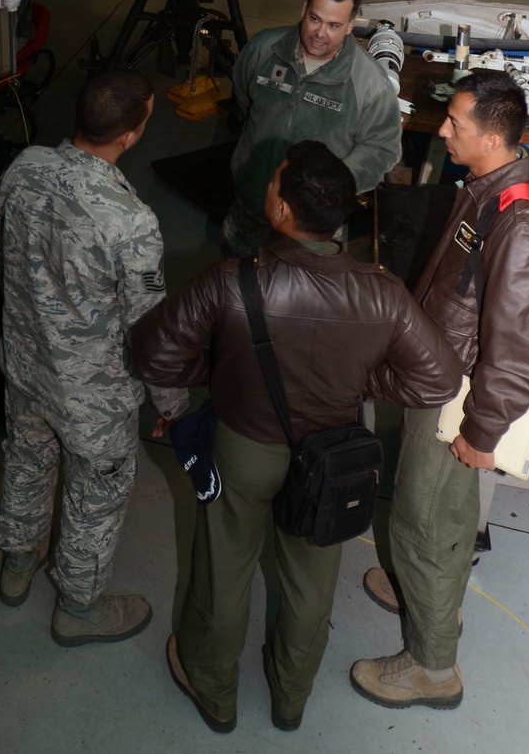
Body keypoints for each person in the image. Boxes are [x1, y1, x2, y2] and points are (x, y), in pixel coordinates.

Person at [131, 141, 462, 733]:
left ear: (281, 211)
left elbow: (154, 352)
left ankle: (212, 686)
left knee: (222, 567)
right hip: (332, 459)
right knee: (311, 581)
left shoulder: (230, 281)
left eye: (274, 183)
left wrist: (222, 371)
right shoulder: (380, 293)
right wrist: (362, 379)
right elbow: (438, 376)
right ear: (338, 217)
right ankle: (290, 698)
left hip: (242, 448)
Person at [351, 69, 529, 711]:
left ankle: (431, 666)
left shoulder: (519, 225)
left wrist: (480, 430)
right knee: (436, 515)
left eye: (455, 126)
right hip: (440, 376)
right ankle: (428, 598)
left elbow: (522, 351)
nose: (441, 131)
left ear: (492, 139)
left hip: (458, 400)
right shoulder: (488, 188)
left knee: (424, 524)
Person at [0, 69, 187, 646]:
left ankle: (17, 563)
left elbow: (3, 265)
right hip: (92, 396)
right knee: (95, 498)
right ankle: (78, 608)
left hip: (25, 368)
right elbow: (149, 329)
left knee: (26, 460)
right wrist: (171, 404)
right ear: (129, 135)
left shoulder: (23, 168)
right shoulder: (129, 221)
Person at [223, 0, 402, 258]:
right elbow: (244, 100)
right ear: (304, 10)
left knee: (305, 296)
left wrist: (332, 187)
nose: (320, 33)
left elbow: (381, 147)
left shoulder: (370, 84)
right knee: (237, 282)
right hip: (252, 202)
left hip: (313, 226)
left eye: (334, 25)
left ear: (350, 26)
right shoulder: (262, 49)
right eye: (315, 19)